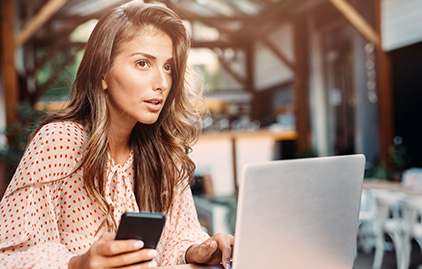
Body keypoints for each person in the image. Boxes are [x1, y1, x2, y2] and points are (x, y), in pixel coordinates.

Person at [0, 1, 234, 268]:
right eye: (143, 63)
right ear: (103, 74)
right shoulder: (59, 141)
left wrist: (197, 251)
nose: (162, 83)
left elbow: (177, 239)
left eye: (168, 67)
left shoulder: (163, 153)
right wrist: (78, 264)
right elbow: (8, 255)